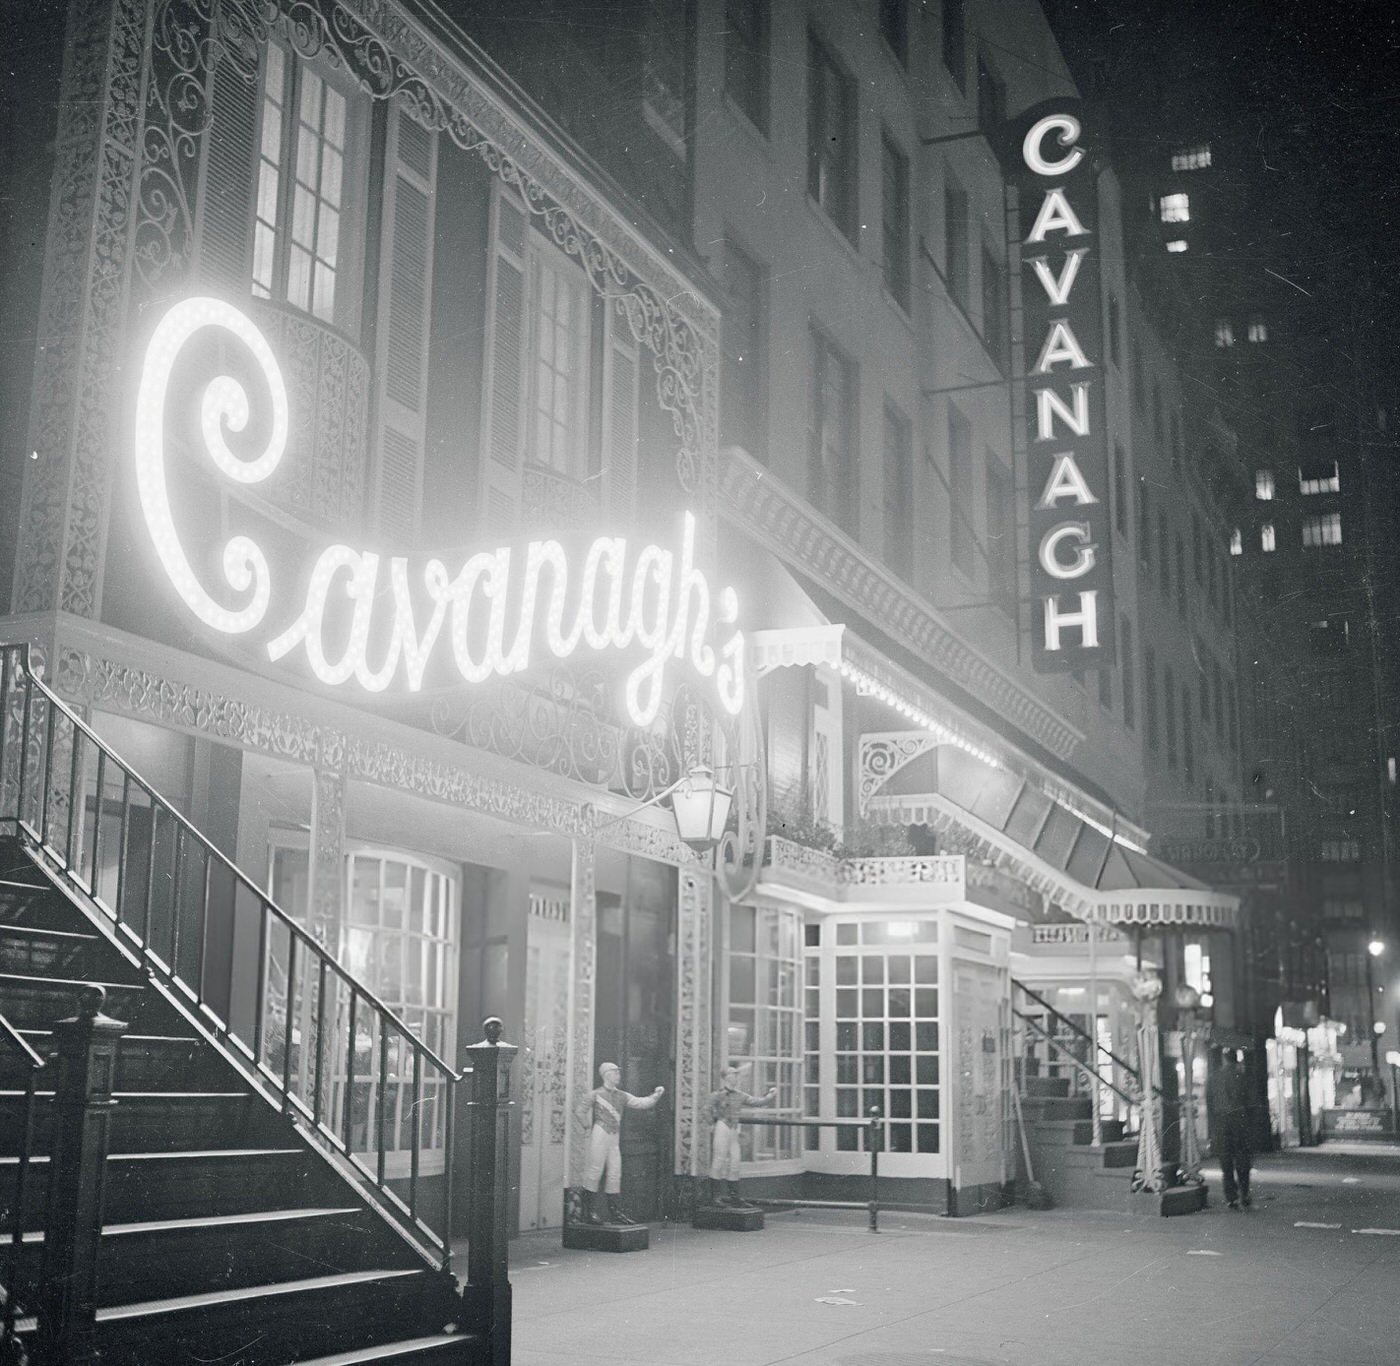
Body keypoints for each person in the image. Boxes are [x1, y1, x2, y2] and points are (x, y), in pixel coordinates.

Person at [581, 1062, 664, 1225]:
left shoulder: (622, 1095)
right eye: (615, 1072)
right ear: (606, 1075)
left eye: (618, 1072)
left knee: (614, 1173)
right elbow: (579, 1110)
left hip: (614, 1136)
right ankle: (588, 1213)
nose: (618, 1075)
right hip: (600, 1133)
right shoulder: (595, 1094)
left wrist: (656, 1095)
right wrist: (586, 1126)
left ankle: (615, 1213)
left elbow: (641, 1103)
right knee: (595, 1170)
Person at [706, 1064, 777, 1208]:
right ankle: (715, 1198)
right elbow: (706, 1108)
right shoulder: (717, 1095)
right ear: (726, 1077)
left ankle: (734, 1197)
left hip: (733, 1130)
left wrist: (770, 1096)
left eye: (737, 1074)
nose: (736, 1077)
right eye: (732, 1074)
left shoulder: (740, 1095)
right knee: (719, 1160)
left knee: (735, 1161)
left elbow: (757, 1102)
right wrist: (711, 1124)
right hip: (722, 1126)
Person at [1209, 1047, 1254, 1209]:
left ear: (1224, 1059)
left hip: (1221, 1121)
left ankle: (1231, 1196)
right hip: (1239, 1120)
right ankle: (1244, 1192)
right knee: (1242, 1157)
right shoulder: (1242, 1077)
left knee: (1226, 1160)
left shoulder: (1214, 1077)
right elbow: (1250, 1101)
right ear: (1236, 1060)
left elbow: (1210, 1102)